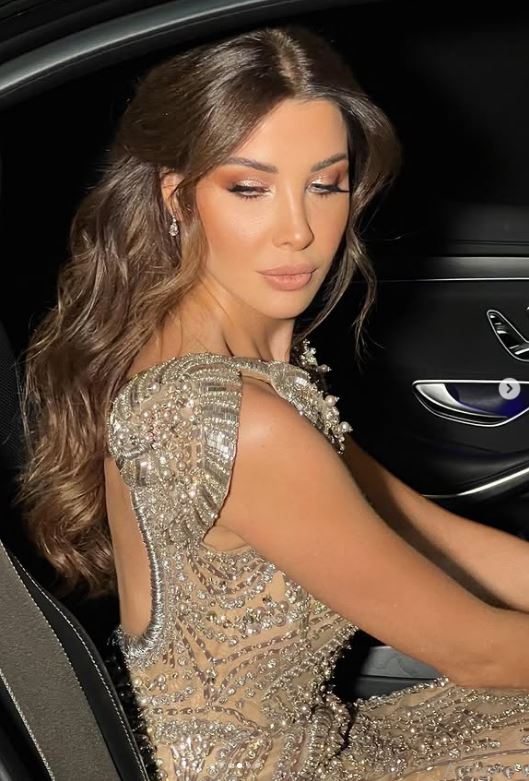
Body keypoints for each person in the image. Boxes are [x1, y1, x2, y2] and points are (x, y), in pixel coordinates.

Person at [18, 23, 529, 781]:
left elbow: (424, 532)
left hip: (319, 745)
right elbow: (477, 652)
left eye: (325, 185)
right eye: (249, 188)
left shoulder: (236, 372)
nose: (298, 232)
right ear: (177, 197)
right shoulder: (235, 422)